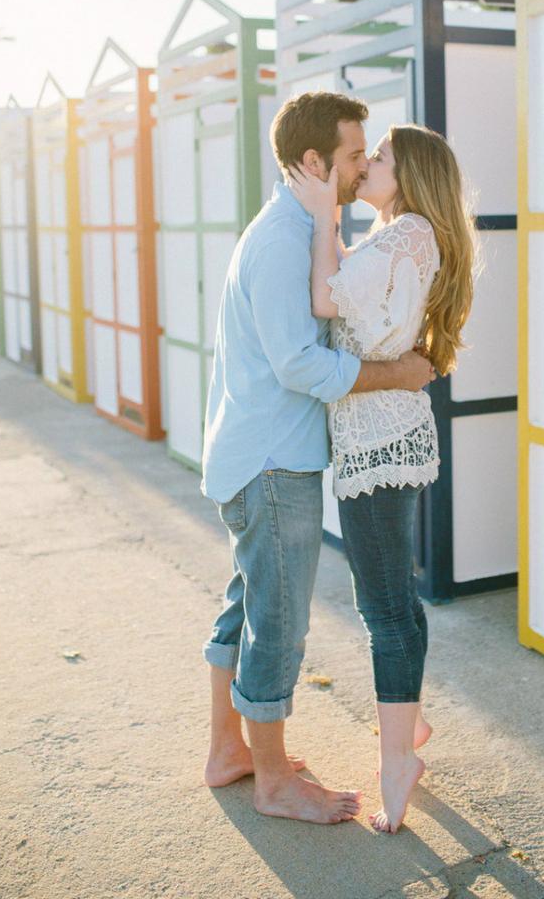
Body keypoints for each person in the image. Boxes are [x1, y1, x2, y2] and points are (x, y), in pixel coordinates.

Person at [201, 91, 436, 826]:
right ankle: (272, 781)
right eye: (353, 155)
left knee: (246, 610)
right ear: (313, 163)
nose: (365, 164)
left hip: (260, 452)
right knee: (278, 622)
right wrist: (397, 376)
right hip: (273, 464)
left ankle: (230, 751)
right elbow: (302, 366)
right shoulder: (281, 243)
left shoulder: (305, 231)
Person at [289, 122, 476, 834]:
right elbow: (348, 287)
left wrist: (322, 215)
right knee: (397, 595)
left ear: (412, 173)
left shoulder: (405, 236)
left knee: (384, 611)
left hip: (378, 443)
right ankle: (412, 726)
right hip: (387, 435)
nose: (367, 163)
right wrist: (331, 223)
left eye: (382, 157)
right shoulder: (403, 236)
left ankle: (397, 761)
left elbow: (325, 300)